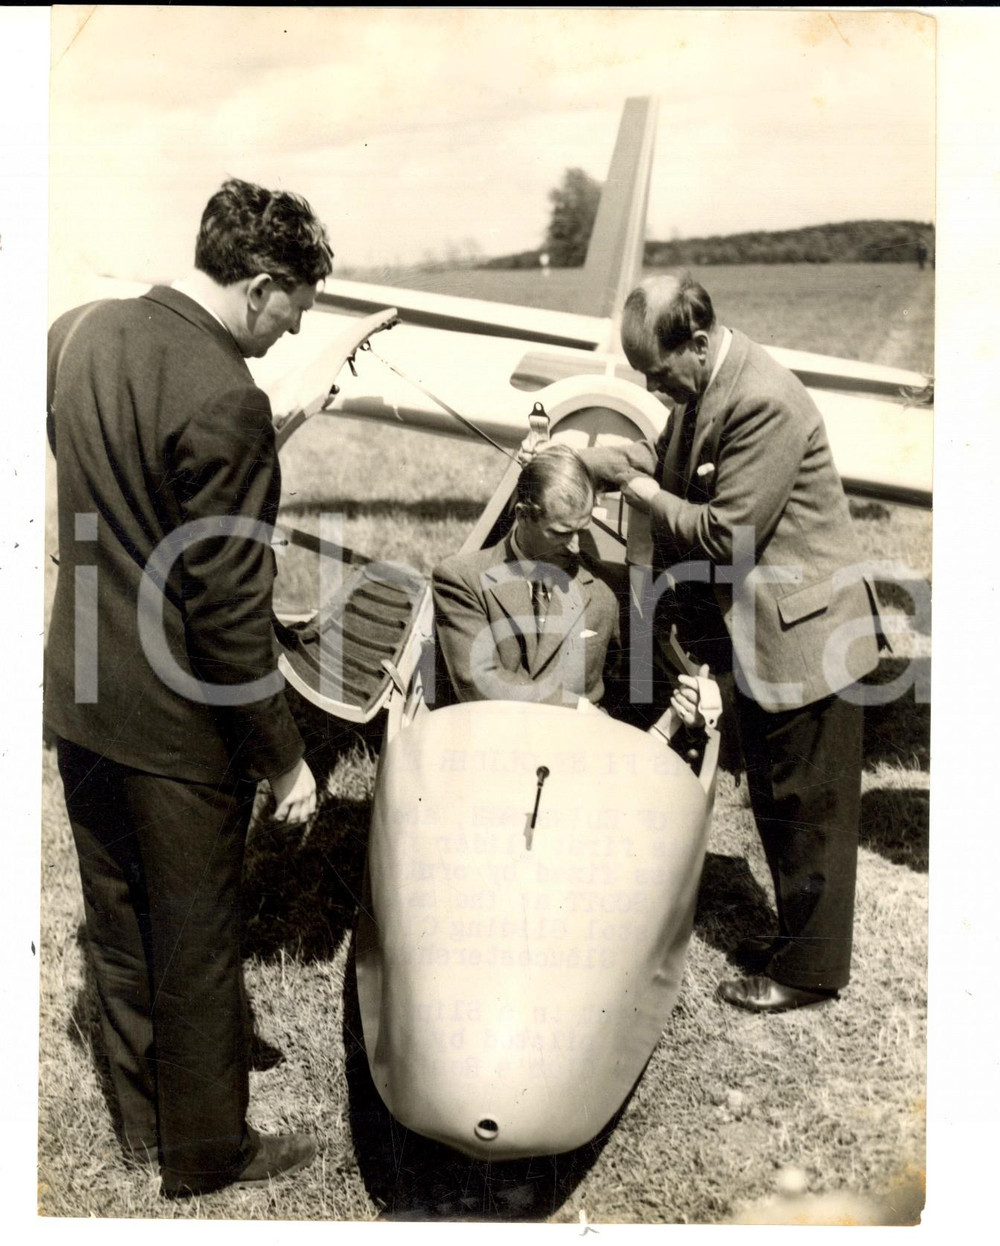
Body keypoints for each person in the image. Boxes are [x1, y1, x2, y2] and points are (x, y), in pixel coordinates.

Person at [46, 179, 333, 1195]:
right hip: (174, 724)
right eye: (297, 305)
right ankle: (209, 1153)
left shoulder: (78, 334)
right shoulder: (227, 396)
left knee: (116, 922)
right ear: (259, 285)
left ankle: (138, 1127)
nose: (298, 325)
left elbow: (112, 487)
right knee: (199, 938)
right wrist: (287, 758)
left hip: (81, 694)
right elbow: (225, 611)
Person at [579, 274, 884, 1014]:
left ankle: (810, 972)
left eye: (658, 373)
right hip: (770, 627)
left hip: (810, 633)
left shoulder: (761, 400)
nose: (654, 390)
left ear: (698, 343)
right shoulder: (704, 389)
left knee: (807, 805)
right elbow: (680, 464)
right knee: (780, 795)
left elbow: (728, 533)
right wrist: (621, 461)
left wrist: (646, 496)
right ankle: (798, 940)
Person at [432, 445, 619, 710]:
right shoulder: (461, 580)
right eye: (561, 532)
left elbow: (626, 686)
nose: (575, 546)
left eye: (582, 530)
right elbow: (480, 683)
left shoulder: (605, 591)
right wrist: (579, 710)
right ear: (522, 515)